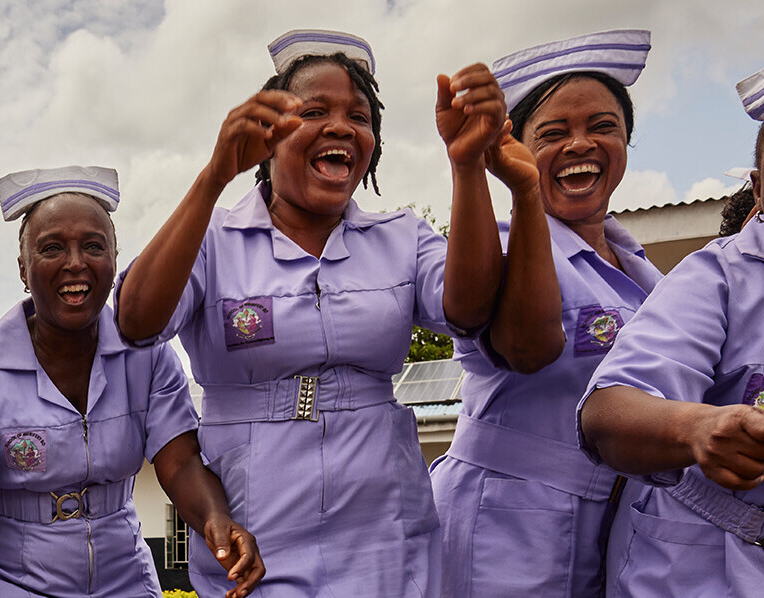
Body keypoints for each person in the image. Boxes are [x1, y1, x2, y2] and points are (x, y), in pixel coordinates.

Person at [113, 29, 510, 596]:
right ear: (268, 138)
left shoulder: (400, 236)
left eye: (359, 115)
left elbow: (470, 311)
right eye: (315, 110)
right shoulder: (214, 237)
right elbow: (137, 321)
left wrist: (467, 166)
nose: (342, 126)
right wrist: (213, 176)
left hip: (384, 530)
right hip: (258, 529)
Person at [578, 43, 764, 597]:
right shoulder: (718, 279)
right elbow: (606, 412)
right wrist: (696, 428)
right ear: (759, 189)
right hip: (702, 569)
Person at [0, 167, 265, 597]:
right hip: (7, 582)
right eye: (52, 248)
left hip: (125, 581)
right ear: (23, 269)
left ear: (115, 260)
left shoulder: (148, 353)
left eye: (94, 246)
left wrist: (215, 517)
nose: (75, 262)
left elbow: (180, 463)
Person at [426, 30, 667, 597]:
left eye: (603, 127)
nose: (580, 144)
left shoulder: (641, 270)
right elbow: (526, 349)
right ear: (516, 149)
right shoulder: (501, 243)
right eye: (553, 133)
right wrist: (525, 194)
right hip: (506, 524)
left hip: (613, 526)